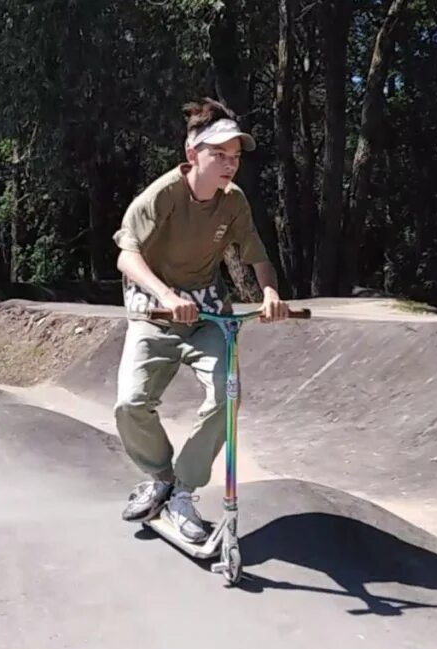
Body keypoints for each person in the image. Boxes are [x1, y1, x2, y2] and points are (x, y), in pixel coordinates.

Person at [113, 97, 290, 543]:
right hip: (154, 313)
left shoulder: (233, 202)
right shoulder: (161, 196)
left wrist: (269, 293)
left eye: (236, 157)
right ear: (193, 154)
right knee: (131, 404)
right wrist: (167, 296)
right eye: (219, 155)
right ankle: (159, 475)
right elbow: (126, 255)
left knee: (226, 399)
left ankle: (183, 493)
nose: (230, 165)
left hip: (209, 316)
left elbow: (258, 257)